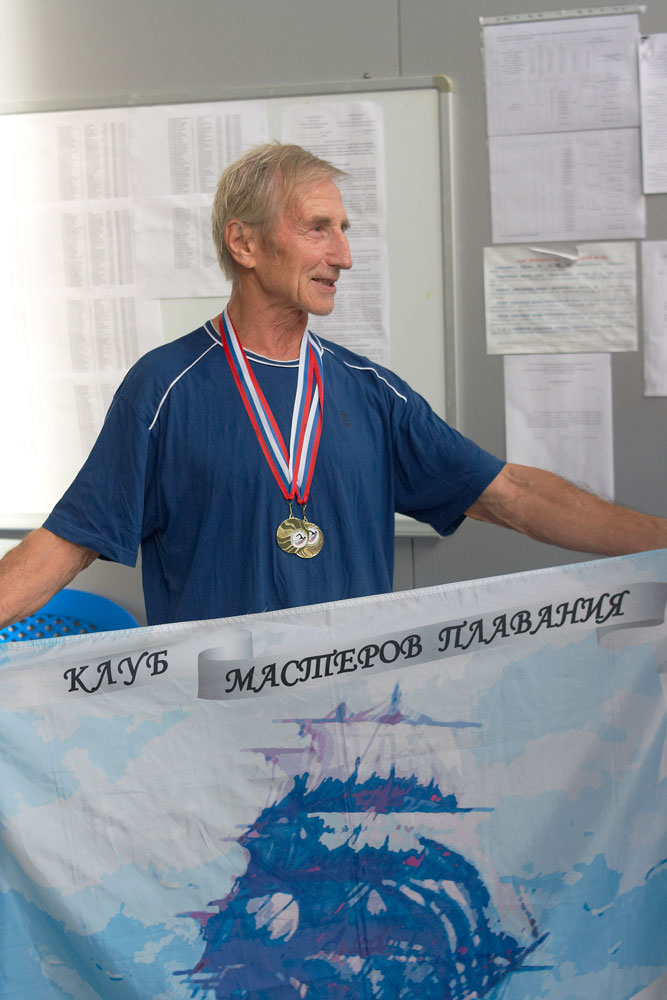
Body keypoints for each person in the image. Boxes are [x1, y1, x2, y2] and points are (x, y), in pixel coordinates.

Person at [1, 143, 666, 628]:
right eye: (318, 228)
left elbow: (511, 495)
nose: (343, 256)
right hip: (214, 737)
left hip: (352, 726)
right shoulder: (163, 390)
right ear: (244, 243)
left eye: (344, 231)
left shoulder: (371, 393)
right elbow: (67, 545)